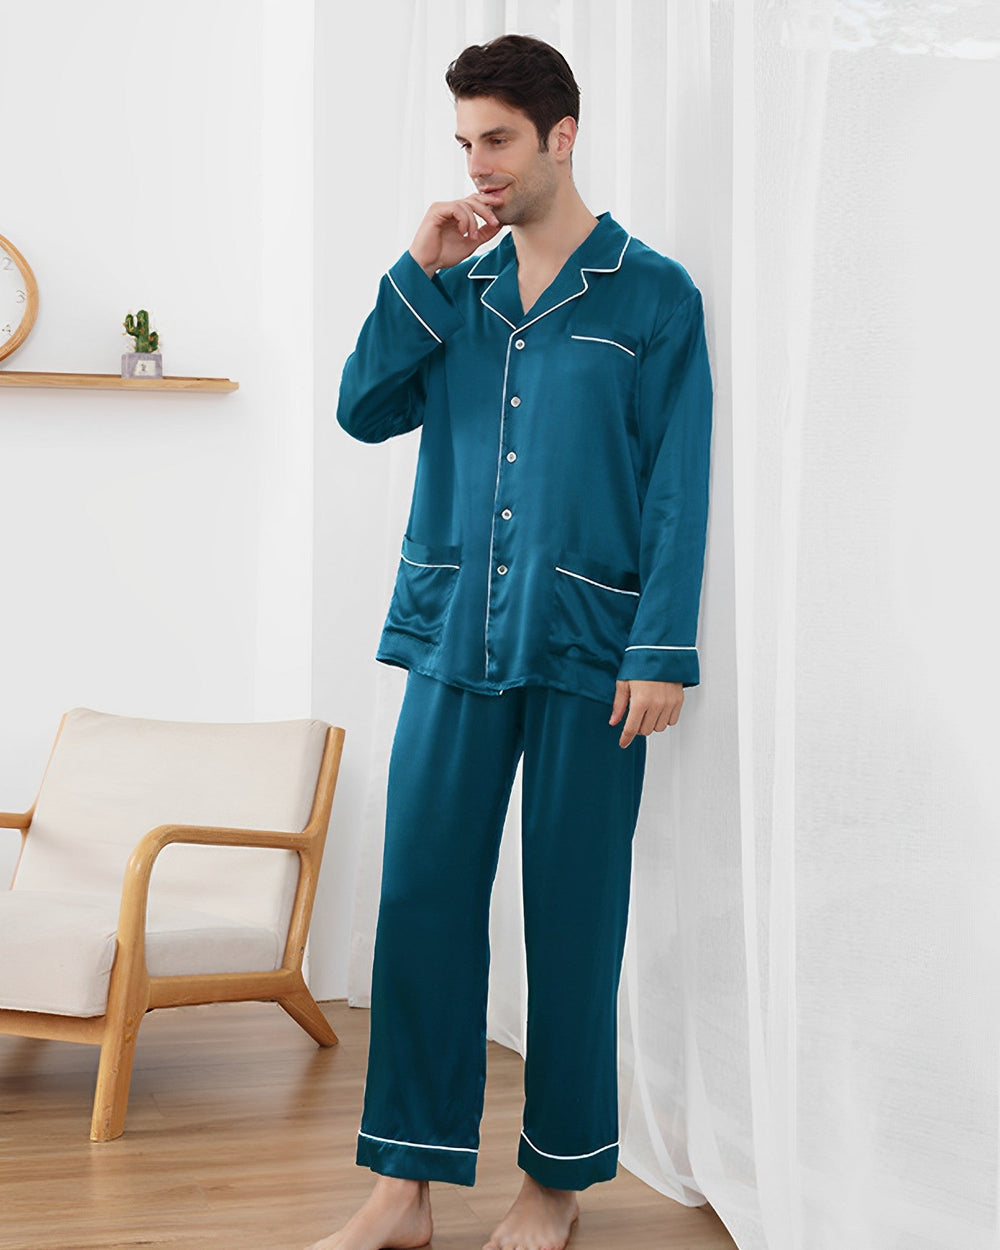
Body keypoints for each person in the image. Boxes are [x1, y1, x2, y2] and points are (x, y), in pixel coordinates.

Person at [309, 33, 712, 1250]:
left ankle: (554, 1186)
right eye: (464, 142)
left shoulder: (652, 294)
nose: (477, 164)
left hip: (594, 648)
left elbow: (675, 487)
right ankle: (403, 1190)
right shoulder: (458, 289)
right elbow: (361, 409)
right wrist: (419, 270)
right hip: (451, 634)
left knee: (574, 914)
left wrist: (663, 647)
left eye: (496, 139)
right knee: (422, 897)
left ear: (560, 136)